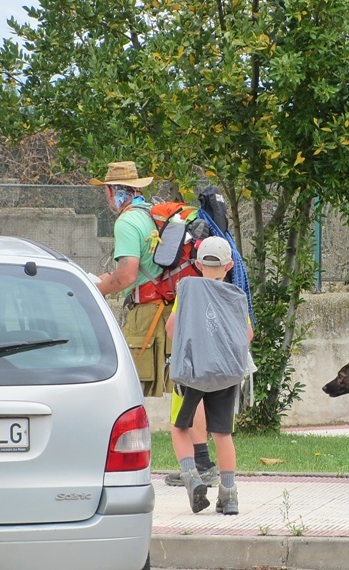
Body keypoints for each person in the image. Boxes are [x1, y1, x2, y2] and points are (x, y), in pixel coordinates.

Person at [91, 160, 218, 485]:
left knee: (122, 383)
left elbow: (128, 274)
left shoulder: (127, 222)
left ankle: (115, 461)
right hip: (176, 306)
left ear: (111, 192)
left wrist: (96, 289)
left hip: (150, 313)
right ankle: (203, 464)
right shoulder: (152, 216)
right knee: (186, 384)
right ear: (137, 188)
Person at [166, 236, 253, 515]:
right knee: (222, 433)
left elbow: (171, 328)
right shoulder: (235, 295)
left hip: (194, 372)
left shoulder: (188, 290)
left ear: (198, 264)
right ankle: (229, 496)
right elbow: (247, 335)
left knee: (180, 428)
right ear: (229, 265)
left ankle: (192, 479)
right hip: (226, 374)